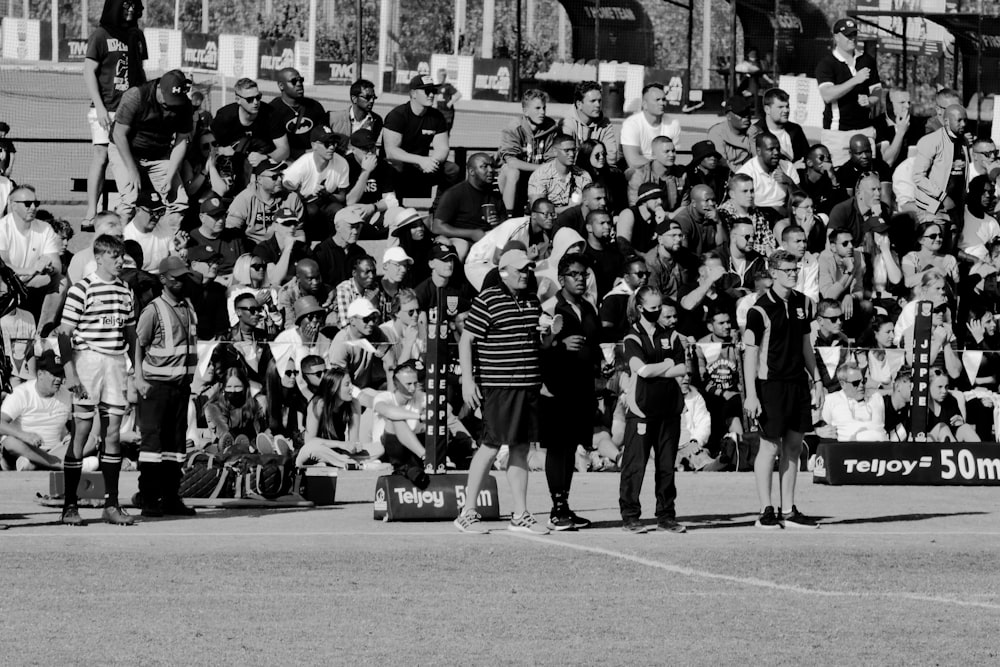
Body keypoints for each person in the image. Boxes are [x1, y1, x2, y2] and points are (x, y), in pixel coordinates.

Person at [454, 249, 552, 535]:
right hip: (499, 385)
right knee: (491, 444)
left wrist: (548, 335)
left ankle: (520, 514)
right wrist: (468, 382)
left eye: (528, 269)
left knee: (521, 447)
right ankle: (467, 511)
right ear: (504, 271)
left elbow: (538, 344)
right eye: (520, 269)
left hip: (528, 385)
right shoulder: (487, 300)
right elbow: (466, 341)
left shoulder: (533, 301)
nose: (526, 274)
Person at [58, 234, 137, 526]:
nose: (120, 262)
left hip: (116, 361)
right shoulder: (82, 289)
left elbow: (131, 333)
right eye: (114, 257)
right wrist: (70, 371)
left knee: (113, 433)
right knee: (82, 430)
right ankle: (69, 505)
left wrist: (137, 371)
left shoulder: (125, 289)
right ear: (99, 258)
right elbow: (63, 333)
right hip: (88, 359)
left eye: (121, 256)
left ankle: (112, 504)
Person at [743, 249, 824, 529]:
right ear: (774, 273)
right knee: (769, 447)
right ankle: (766, 509)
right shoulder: (760, 309)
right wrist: (751, 394)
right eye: (788, 271)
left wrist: (817, 379)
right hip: (771, 385)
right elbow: (750, 354)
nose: (794, 274)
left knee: (793, 446)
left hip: (797, 384)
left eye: (796, 270)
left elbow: (806, 345)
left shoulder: (803, 302)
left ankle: (788, 509)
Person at [132, 256, 199, 517]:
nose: (181, 282)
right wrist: (138, 379)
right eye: (175, 278)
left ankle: (171, 498)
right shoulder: (153, 309)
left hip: (180, 387)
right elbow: (137, 344)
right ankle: (149, 498)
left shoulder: (188, 307)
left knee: (175, 446)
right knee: (152, 446)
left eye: (183, 277)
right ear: (163, 280)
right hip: (156, 386)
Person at [618, 287, 688, 533]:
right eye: (652, 308)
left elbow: (682, 368)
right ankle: (630, 515)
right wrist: (668, 364)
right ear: (640, 308)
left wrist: (665, 366)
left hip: (669, 407)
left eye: (660, 307)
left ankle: (666, 515)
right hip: (642, 408)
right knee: (634, 465)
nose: (657, 312)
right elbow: (642, 370)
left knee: (667, 465)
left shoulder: (671, 335)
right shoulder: (632, 337)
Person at [540, 253, 598, 530]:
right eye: (574, 274)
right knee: (557, 446)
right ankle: (556, 508)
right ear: (561, 278)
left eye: (583, 274)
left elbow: (595, 343)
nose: (580, 279)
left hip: (582, 386)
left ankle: (565, 505)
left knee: (573, 446)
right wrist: (560, 346)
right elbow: (537, 347)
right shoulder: (551, 308)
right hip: (556, 386)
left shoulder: (588, 308)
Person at [83, 0, 147, 231]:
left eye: (134, 5)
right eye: (126, 5)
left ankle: (128, 209)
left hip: (130, 110)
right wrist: (100, 107)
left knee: (131, 157)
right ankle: (92, 210)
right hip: (106, 108)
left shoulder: (137, 35)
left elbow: (140, 72)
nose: (131, 9)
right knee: (101, 156)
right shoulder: (100, 35)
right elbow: (89, 71)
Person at [109, 69, 193, 220]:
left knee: (179, 203)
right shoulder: (136, 96)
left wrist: (170, 176)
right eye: (167, 99)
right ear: (159, 87)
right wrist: (132, 169)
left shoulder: (184, 105)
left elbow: (181, 141)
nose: (170, 105)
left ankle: (169, 242)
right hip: (127, 151)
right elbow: (118, 135)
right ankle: (120, 241)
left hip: (158, 154)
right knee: (130, 201)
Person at [383, 74, 461, 207]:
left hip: (423, 166)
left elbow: (442, 148)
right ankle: (395, 209)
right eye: (427, 91)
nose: (431, 94)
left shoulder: (437, 117)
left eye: (433, 91)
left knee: (452, 169)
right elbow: (391, 152)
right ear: (413, 93)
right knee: (393, 165)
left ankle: (439, 211)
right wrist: (420, 160)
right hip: (399, 165)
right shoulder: (397, 115)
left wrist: (433, 161)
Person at [815, 17, 881, 166]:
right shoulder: (827, 64)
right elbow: (827, 95)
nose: (852, 39)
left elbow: (877, 90)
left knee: (868, 178)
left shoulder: (867, 60)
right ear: (836, 37)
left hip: (865, 130)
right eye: (848, 35)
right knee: (839, 182)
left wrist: (870, 101)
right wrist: (855, 80)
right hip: (837, 135)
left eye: (854, 35)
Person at [0, 186, 64, 333]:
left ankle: (42, 334)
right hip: (8, 282)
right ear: (13, 205)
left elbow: (56, 265)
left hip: (33, 280)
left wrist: (49, 268)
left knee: (60, 280)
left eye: (36, 203)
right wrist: (29, 270)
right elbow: (2, 264)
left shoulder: (45, 228)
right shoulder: (2, 228)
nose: (33, 207)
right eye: (28, 203)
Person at [0, 350, 73, 471]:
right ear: (40, 374)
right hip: (25, 448)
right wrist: (23, 435)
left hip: (55, 450)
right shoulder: (21, 393)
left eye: (60, 374)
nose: (58, 379)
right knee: (10, 442)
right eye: (54, 374)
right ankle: (55, 464)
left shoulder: (67, 396)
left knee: (86, 439)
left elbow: (78, 425)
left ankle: (38, 463)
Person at [298, 366, 383, 468]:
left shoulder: (353, 404)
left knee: (379, 448)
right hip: (318, 450)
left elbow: (354, 439)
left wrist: (355, 446)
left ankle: (341, 463)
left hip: (339, 453)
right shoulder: (319, 404)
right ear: (334, 388)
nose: (352, 387)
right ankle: (352, 464)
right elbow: (309, 441)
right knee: (314, 448)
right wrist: (340, 444)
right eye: (347, 384)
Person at [465, 198, 556, 291]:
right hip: (480, 262)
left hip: (506, 269)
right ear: (533, 215)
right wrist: (526, 258)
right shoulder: (514, 225)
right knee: (499, 294)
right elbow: (496, 259)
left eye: (553, 214)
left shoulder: (545, 240)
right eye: (546, 214)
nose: (550, 218)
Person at [210, 77, 288, 184]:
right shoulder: (224, 117)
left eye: (258, 97)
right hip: (232, 163)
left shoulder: (271, 115)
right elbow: (209, 143)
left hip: (263, 161)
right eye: (250, 99)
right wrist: (222, 150)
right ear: (238, 100)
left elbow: (284, 150)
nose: (255, 102)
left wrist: (265, 157)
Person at [281, 125, 351, 242]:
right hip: (305, 204)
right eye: (327, 143)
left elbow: (342, 197)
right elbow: (285, 183)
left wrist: (328, 195)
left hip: (326, 203)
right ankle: (306, 243)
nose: (332, 147)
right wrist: (300, 193)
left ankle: (333, 244)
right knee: (312, 210)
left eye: (334, 143)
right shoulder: (304, 163)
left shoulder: (342, 163)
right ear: (314, 145)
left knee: (337, 209)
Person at [431, 153, 507, 260]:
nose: (490, 170)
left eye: (492, 166)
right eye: (484, 166)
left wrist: (497, 223)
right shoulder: (455, 193)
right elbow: (437, 227)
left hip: (487, 238)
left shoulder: (495, 194)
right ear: (471, 171)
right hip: (462, 239)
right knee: (461, 247)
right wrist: (472, 234)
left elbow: (505, 225)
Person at [497, 89, 559, 212]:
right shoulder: (514, 128)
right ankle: (508, 216)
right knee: (513, 172)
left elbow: (552, 159)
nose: (542, 112)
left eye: (544, 108)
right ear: (525, 111)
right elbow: (512, 162)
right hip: (512, 176)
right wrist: (541, 168)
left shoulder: (550, 128)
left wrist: (544, 169)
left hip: (537, 175)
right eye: (537, 108)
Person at [912, 104, 969, 224]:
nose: (963, 124)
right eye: (959, 120)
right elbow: (918, 177)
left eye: (965, 120)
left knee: (954, 240)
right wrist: (942, 197)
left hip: (957, 208)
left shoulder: (964, 142)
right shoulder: (931, 141)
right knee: (936, 240)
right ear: (947, 121)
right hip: (934, 208)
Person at [225, 158, 303, 245]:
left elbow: (299, 230)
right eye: (274, 177)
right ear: (259, 179)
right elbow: (231, 229)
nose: (280, 180)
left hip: (283, 245)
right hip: (253, 247)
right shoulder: (245, 198)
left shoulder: (291, 198)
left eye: (281, 175)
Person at [817, 361, 887, 441]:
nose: (861, 385)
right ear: (843, 384)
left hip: (881, 449)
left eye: (863, 381)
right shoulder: (832, 400)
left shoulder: (876, 398)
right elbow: (824, 428)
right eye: (856, 383)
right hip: (849, 450)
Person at [736, 132, 800, 219]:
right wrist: (772, 210)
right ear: (759, 151)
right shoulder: (746, 173)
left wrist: (790, 182)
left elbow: (801, 199)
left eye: (778, 148)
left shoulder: (788, 166)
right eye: (771, 149)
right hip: (756, 216)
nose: (776, 152)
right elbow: (742, 205)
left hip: (785, 214)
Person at [268, 67, 327, 161]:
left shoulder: (315, 106)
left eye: (301, 80)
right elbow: (271, 146)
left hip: (312, 160)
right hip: (285, 161)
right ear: (281, 85)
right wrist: (303, 153)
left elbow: (324, 136)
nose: (299, 84)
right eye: (294, 81)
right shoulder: (272, 110)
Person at [186, 194, 250, 278]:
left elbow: (244, 266)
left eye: (223, 215)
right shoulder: (192, 239)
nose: (221, 220)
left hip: (236, 281)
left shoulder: (234, 236)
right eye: (215, 216)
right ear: (202, 217)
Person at [621, 83, 681, 169]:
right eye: (657, 100)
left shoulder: (673, 123)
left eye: (663, 99)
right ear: (644, 104)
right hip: (639, 172)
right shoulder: (631, 124)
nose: (662, 103)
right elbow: (633, 161)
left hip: (664, 171)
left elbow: (672, 158)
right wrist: (659, 166)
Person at [343, 129, 398, 223]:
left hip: (374, 210)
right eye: (364, 148)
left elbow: (392, 201)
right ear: (353, 149)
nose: (370, 152)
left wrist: (373, 207)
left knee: (400, 214)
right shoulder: (345, 165)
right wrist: (366, 172)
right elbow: (350, 201)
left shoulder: (384, 166)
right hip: (350, 212)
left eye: (372, 147)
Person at [527, 134, 592, 212]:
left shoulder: (583, 175)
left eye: (574, 150)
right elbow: (538, 210)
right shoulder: (540, 175)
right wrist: (571, 209)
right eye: (566, 150)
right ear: (555, 151)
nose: (572, 154)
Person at [561, 81, 620, 165]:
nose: (598, 105)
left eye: (599, 101)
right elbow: (566, 157)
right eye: (593, 101)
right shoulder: (567, 122)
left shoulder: (605, 123)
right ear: (579, 104)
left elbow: (611, 157)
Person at [252, 207, 314, 286]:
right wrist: (287, 249)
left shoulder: (303, 248)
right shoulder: (263, 249)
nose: (292, 227)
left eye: (294, 223)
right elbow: (275, 280)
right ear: (275, 226)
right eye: (287, 223)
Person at [717, 173, 775, 257]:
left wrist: (766, 249)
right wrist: (764, 249)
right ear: (732, 194)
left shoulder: (758, 213)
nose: (750, 195)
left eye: (751, 191)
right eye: (745, 191)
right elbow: (735, 246)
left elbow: (770, 243)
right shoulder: (724, 215)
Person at [749, 88, 809, 165]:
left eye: (787, 106)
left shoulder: (796, 130)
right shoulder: (756, 133)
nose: (786, 110)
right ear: (767, 109)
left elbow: (806, 157)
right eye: (780, 107)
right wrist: (791, 168)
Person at [827, 171, 886, 248]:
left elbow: (882, 245)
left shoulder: (882, 209)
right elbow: (830, 247)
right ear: (859, 193)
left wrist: (877, 217)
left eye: (879, 189)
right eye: (873, 189)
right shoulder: (842, 210)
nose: (878, 194)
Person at [626, 136, 685, 212]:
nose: (672, 155)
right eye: (667, 151)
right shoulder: (639, 175)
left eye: (673, 151)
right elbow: (634, 207)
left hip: (673, 219)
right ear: (653, 155)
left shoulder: (681, 175)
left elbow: (684, 206)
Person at [314, 205, 368, 287]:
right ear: (337, 227)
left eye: (358, 227)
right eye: (351, 227)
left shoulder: (359, 252)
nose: (355, 232)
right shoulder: (322, 251)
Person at [599, 256, 648, 342]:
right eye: (640, 274)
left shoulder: (644, 295)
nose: (645, 277)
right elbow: (606, 330)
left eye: (647, 274)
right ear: (626, 277)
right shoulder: (613, 299)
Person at [575, 139, 627, 216]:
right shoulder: (579, 177)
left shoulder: (614, 175)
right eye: (597, 155)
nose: (601, 157)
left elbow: (621, 202)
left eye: (603, 154)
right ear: (587, 155)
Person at [927, 368, 980, 442]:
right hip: (927, 444)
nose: (944, 391)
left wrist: (960, 423)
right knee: (942, 428)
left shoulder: (950, 400)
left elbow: (956, 429)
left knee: (965, 428)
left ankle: (980, 452)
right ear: (928, 386)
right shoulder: (921, 404)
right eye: (940, 387)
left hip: (950, 441)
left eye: (946, 387)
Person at [582, 209, 624, 300]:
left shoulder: (616, 254)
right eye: (602, 223)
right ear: (589, 228)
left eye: (609, 223)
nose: (607, 227)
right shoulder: (583, 255)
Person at [328, 78, 384, 147]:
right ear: (354, 99)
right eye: (367, 97)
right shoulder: (333, 118)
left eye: (374, 97)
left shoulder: (376, 120)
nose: (372, 101)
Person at [277, 258, 331, 330]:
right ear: (298, 278)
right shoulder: (287, 293)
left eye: (317, 278)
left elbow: (331, 290)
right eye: (310, 279)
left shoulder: (322, 288)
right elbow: (289, 324)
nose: (315, 282)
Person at [835, 134, 893, 200]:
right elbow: (848, 202)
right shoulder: (844, 171)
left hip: (879, 206)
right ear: (850, 153)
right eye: (859, 153)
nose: (864, 156)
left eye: (867, 151)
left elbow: (885, 196)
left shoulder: (882, 166)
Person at [797, 144, 847, 217]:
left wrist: (833, 179)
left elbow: (842, 204)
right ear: (809, 163)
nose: (827, 160)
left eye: (829, 157)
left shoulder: (831, 178)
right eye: (821, 158)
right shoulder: (799, 177)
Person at [617, 183, 666, 256]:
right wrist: (644, 257)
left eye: (661, 198)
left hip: (652, 262)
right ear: (644, 201)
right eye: (655, 198)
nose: (660, 201)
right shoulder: (629, 214)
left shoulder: (660, 216)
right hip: (632, 261)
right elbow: (623, 245)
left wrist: (661, 225)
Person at [707, 94, 754, 169]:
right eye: (741, 114)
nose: (746, 117)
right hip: (726, 175)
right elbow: (721, 162)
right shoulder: (717, 132)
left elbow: (760, 162)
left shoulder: (754, 132)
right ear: (728, 116)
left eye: (748, 113)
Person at [333, 255, 380, 328]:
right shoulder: (344, 290)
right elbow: (345, 325)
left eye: (373, 272)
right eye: (367, 272)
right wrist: (372, 306)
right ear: (354, 273)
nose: (371, 276)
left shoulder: (375, 288)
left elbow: (381, 322)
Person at [673, 185, 721, 256]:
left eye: (713, 200)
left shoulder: (714, 216)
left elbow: (722, 247)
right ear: (694, 203)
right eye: (707, 200)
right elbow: (683, 254)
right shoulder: (683, 220)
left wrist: (719, 222)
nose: (711, 204)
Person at [685, 140, 731, 206]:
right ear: (699, 158)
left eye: (715, 156)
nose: (713, 158)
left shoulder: (724, 175)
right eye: (708, 156)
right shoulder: (688, 175)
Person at [434, 68, 462, 133]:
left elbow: (458, 95)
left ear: (444, 77)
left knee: (446, 131)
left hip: (447, 114)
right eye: (438, 76)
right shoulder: (436, 87)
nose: (439, 78)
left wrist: (451, 102)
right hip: (439, 113)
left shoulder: (448, 87)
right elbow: (434, 98)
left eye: (441, 76)